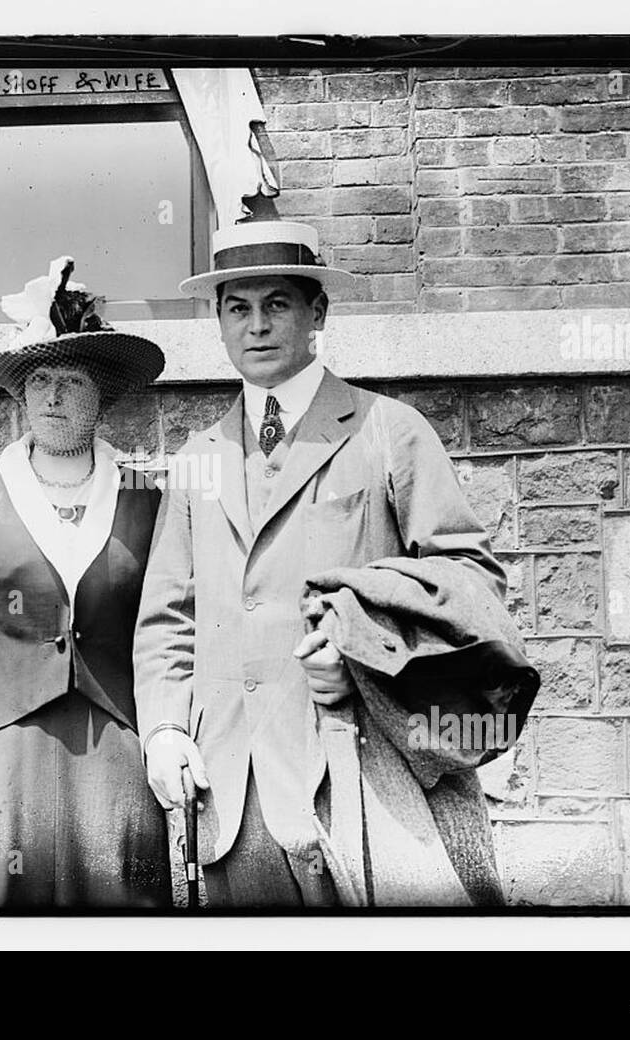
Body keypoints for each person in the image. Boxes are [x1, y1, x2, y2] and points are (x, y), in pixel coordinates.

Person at [133, 220, 510, 907]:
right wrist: (163, 729)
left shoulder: (388, 431)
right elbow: (167, 618)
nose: (256, 326)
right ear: (218, 322)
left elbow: (472, 588)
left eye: (277, 303)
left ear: (318, 313)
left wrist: (362, 650)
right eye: (237, 308)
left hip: (360, 777)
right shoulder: (198, 459)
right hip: (229, 790)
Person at [0, 257, 171, 908]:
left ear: (100, 394)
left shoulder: (143, 500)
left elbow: (173, 634)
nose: (52, 395)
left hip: (113, 765)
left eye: (71, 380)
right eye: (40, 378)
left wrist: (171, 734)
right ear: (20, 393)